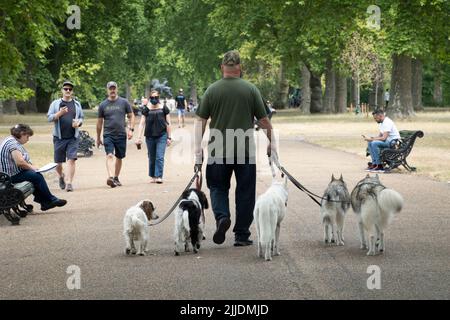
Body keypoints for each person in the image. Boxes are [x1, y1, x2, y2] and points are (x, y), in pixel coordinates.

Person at [194, 50, 275, 247]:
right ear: (240, 68)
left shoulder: (212, 90)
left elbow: (200, 121)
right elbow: (264, 120)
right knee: (245, 192)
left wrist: (198, 150)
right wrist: (271, 143)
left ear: (223, 67)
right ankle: (241, 234)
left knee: (217, 187)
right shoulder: (251, 89)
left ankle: (222, 217)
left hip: (218, 151)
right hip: (245, 151)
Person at [0, 124, 67, 211]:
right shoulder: (13, 144)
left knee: (33, 176)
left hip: (8, 174)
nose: (28, 139)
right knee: (36, 176)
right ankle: (50, 200)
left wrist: (31, 168)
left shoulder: (10, 140)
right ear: (22, 133)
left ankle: (46, 202)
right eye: (27, 136)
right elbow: (20, 162)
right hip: (8, 177)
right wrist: (33, 168)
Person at [47, 80, 84, 192]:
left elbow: (82, 117)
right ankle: (60, 176)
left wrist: (79, 123)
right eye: (66, 89)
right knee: (58, 162)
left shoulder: (77, 104)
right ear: (62, 90)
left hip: (73, 137)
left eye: (70, 89)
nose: (68, 91)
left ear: (72, 91)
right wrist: (59, 114)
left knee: (72, 159)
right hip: (59, 137)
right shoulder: (55, 104)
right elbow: (49, 118)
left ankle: (69, 183)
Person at [96, 81, 135, 188]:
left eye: (114, 88)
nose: (112, 90)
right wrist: (98, 138)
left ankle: (116, 177)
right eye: (110, 88)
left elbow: (131, 116)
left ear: (117, 89)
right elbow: (99, 122)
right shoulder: (103, 105)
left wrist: (131, 129)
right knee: (109, 155)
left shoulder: (124, 102)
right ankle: (111, 177)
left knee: (119, 157)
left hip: (121, 134)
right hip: (108, 134)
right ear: (107, 90)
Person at [135, 90, 172, 184]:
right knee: (151, 156)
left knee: (159, 156)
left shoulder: (164, 108)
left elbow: (168, 123)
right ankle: (152, 176)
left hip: (162, 135)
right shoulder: (146, 109)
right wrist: (138, 137)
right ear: (150, 98)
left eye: (156, 97)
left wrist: (169, 137)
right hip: (150, 136)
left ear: (158, 97)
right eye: (152, 98)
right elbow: (141, 124)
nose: (154, 99)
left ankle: (159, 176)